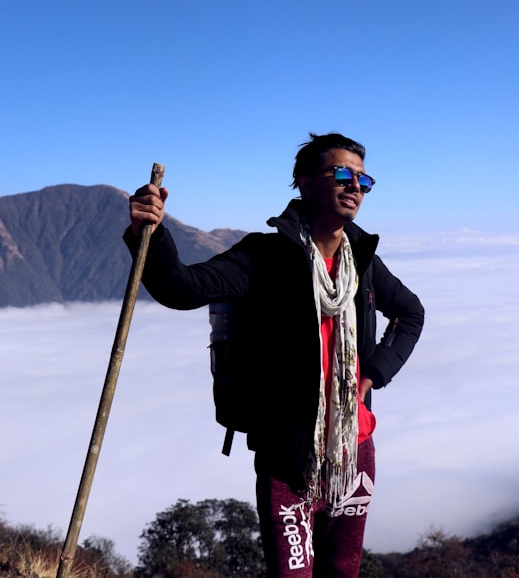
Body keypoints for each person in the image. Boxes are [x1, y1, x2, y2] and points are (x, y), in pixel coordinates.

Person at [126, 132, 424, 576]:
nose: (354, 186)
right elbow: (180, 287)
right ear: (303, 182)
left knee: (342, 573)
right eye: (342, 173)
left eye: (363, 179)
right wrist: (147, 232)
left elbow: (411, 314)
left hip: (353, 448)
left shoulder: (361, 261)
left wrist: (373, 375)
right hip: (288, 455)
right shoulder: (264, 256)